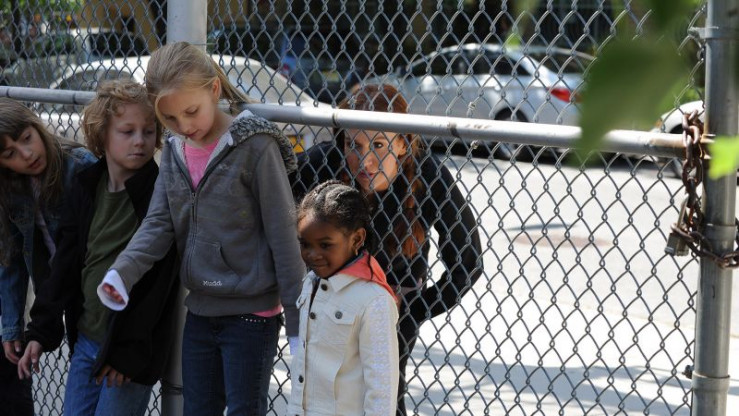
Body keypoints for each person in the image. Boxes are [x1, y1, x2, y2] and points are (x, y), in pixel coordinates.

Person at [97, 41, 304, 416]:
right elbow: (158, 223)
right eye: (170, 119)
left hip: (252, 316)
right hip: (201, 313)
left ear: (214, 89)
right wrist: (122, 272)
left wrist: (296, 321)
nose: (184, 126)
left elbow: (283, 233)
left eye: (191, 112)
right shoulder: (175, 150)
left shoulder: (255, 146)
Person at [291, 84, 483, 415]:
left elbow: (468, 259)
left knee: (384, 398)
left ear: (403, 143)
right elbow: (272, 200)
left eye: (379, 145)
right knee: (323, 393)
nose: (365, 159)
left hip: (390, 310)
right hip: (330, 304)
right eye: (354, 144)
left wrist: (416, 308)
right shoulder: (325, 162)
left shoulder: (427, 173)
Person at [16, 79, 180, 416]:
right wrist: (40, 330)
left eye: (149, 131)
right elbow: (64, 264)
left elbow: (157, 286)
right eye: (127, 131)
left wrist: (128, 353)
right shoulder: (87, 186)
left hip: (127, 353)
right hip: (87, 341)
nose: (140, 141)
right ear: (101, 134)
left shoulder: (157, 193)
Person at [0, 98, 96, 416]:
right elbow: (11, 258)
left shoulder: (79, 166)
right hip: (58, 294)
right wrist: (12, 327)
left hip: (92, 293)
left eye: (27, 138)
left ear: (36, 126)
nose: (26, 154)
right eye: (10, 154)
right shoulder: (10, 187)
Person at [288, 180, 399, 416]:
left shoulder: (374, 300)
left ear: (357, 239)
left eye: (325, 245)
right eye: (305, 244)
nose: (312, 255)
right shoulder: (310, 282)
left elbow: (382, 388)